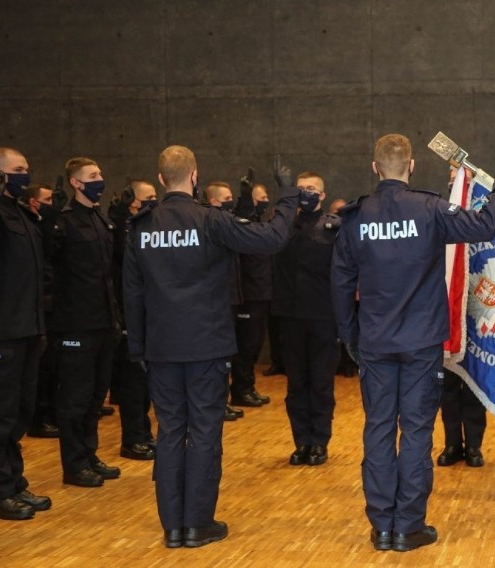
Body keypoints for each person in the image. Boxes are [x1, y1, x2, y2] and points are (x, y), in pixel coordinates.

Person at [331, 134, 495, 552]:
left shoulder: (355, 217)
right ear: (411, 167)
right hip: (421, 344)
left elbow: (340, 283)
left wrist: (349, 335)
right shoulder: (429, 208)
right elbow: (484, 224)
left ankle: (381, 527)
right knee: (415, 431)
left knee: (378, 430)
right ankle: (408, 527)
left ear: (375, 167)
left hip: (375, 342)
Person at [122, 145, 308, 548]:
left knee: (170, 432)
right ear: (194, 177)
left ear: (160, 180)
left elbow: (131, 294)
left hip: (161, 349)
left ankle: (173, 527)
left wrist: (138, 349)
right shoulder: (211, 221)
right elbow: (273, 238)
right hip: (206, 346)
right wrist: (288, 191)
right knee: (205, 432)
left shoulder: (141, 227)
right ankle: (198, 524)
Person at [51, 156, 121, 488]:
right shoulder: (64, 223)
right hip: (75, 324)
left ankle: (89, 454)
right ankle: (74, 464)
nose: (100, 179)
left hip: (103, 322)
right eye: (93, 175)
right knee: (75, 398)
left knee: (96, 396)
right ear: (76, 183)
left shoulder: (101, 220)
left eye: (100, 173)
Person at [0, 147, 51, 520]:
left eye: (27, 169)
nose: (25, 176)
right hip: (3, 332)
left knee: (20, 412)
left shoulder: (23, 215)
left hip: (30, 328)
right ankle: (0, 490)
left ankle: (14, 481)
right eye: (17, 170)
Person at [273, 169, 341, 467]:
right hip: (289, 316)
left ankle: (320, 442)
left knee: (321, 383)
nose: (306, 192)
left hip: (324, 316)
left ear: (322, 195)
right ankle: (301, 442)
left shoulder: (334, 227)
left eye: (312, 188)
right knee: (296, 384)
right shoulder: (282, 226)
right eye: (301, 188)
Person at [437, 167, 487, 468]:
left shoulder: (482, 225)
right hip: (446, 316)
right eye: (451, 179)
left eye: (460, 180)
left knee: (473, 390)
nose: (455, 184)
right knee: (446, 389)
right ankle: (452, 444)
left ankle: (474, 447)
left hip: (476, 318)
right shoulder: (440, 218)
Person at [109, 180, 158, 460]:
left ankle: (144, 433)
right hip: (127, 315)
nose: (154, 202)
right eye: (147, 198)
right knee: (132, 383)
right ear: (133, 203)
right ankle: (132, 438)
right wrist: (120, 215)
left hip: (148, 314)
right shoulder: (122, 231)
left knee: (145, 384)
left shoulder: (149, 228)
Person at [21, 183, 61, 438]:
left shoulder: (41, 228)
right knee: (41, 370)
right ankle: (38, 418)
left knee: (51, 368)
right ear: (34, 203)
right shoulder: (31, 227)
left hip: (50, 306)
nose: (52, 205)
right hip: (37, 308)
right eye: (48, 200)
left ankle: (46, 414)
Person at [230, 176, 273, 408]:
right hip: (248, 296)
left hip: (262, 294)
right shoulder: (243, 225)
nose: (266, 201)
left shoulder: (261, 226)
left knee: (254, 345)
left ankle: (248, 386)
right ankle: (241, 389)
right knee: (245, 347)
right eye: (262, 198)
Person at [204, 181, 245, 422]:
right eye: (227, 197)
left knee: (231, 354)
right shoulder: (212, 225)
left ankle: (225, 399)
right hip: (217, 301)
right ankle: (219, 402)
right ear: (214, 201)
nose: (232, 201)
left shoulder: (228, 224)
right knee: (218, 359)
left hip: (232, 296)